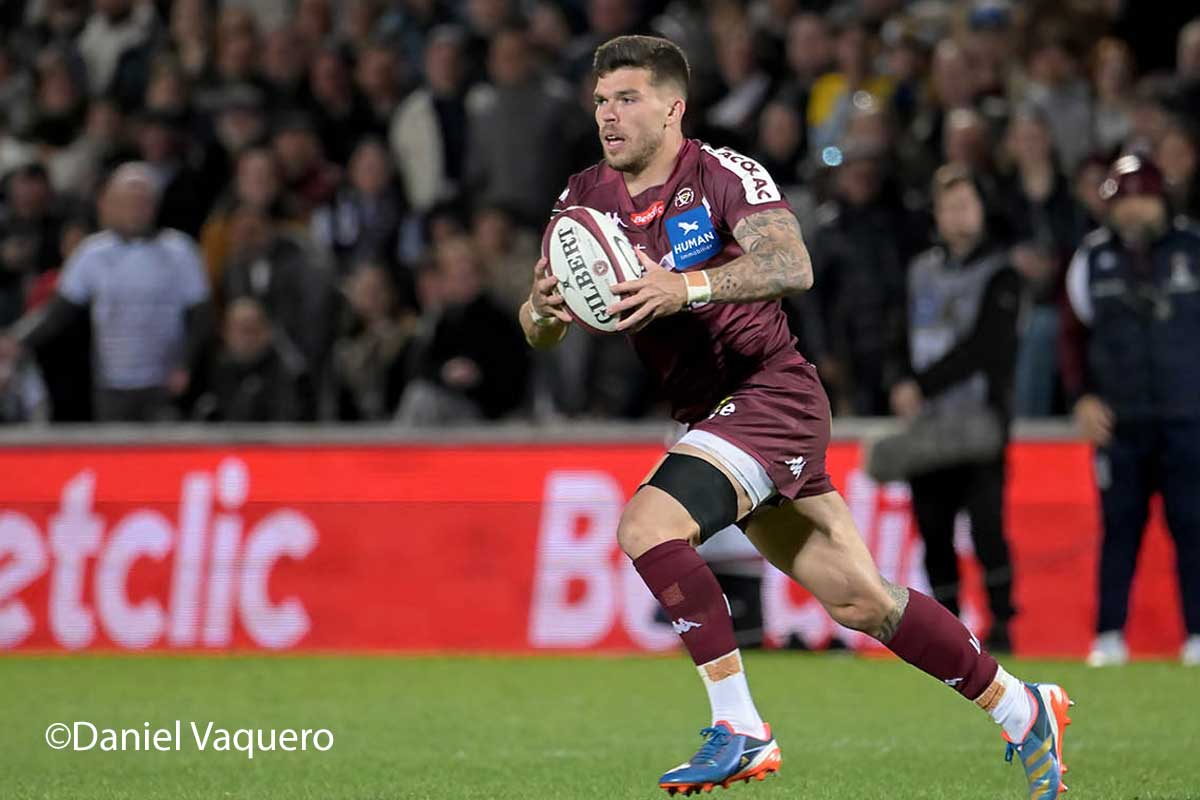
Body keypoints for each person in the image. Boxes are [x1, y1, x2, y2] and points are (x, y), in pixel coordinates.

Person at [521, 35, 1072, 798]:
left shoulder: (723, 175)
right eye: (600, 102)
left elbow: (791, 264)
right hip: (710, 416)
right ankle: (1022, 707)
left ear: (673, 107)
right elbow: (540, 325)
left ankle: (740, 727)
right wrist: (542, 311)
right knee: (860, 599)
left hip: (771, 395)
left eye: (627, 99)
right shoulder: (583, 197)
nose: (607, 116)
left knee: (647, 526)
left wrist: (687, 288)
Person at [1061, 155, 1200, 667]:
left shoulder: (1194, 249)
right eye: (1124, 199)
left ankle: (1198, 636)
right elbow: (1071, 339)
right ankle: (1109, 635)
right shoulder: (1092, 258)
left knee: (1194, 527)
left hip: (1188, 416)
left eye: (1144, 197)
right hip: (1120, 422)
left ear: (1163, 200)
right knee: (1119, 530)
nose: (1134, 209)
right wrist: (1081, 397)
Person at [890, 165, 1021, 653]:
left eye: (966, 205)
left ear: (983, 210)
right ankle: (950, 632)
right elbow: (898, 333)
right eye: (949, 207)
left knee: (987, 526)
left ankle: (1003, 625)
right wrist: (896, 381)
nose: (958, 215)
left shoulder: (1002, 274)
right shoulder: (919, 271)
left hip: (979, 422)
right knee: (934, 527)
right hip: (927, 426)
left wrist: (919, 385)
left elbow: (987, 347)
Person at [1, 162, 211, 421]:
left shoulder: (180, 251)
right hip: (112, 383)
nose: (136, 210)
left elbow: (201, 315)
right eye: (127, 202)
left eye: (142, 202)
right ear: (110, 205)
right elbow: (58, 311)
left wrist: (186, 365)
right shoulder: (92, 253)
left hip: (165, 382)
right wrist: (17, 339)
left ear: (155, 205)